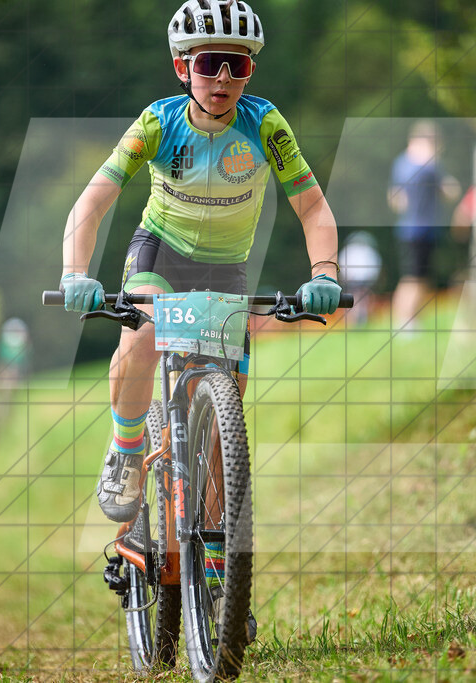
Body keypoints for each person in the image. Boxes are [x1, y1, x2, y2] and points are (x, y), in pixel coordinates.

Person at [59, 0, 342, 525]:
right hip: (159, 253)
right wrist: (75, 274)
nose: (225, 78)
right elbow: (91, 203)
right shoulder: (158, 124)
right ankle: (126, 448)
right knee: (141, 332)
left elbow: (312, 206)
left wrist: (324, 270)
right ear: (182, 67)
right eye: (211, 61)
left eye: (241, 64)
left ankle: (218, 578)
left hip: (226, 269)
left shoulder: (265, 125)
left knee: (221, 439)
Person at [387, 121, 460, 329]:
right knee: (413, 278)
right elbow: (449, 192)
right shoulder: (428, 165)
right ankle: (404, 323)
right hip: (418, 230)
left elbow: (395, 198)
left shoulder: (401, 163)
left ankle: (412, 321)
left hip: (415, 229)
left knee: (420, 278)